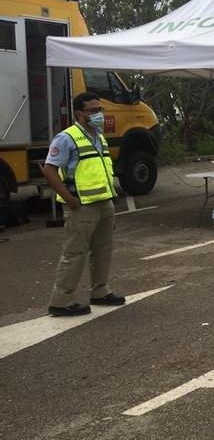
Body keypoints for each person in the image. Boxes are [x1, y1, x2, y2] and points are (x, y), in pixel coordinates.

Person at [41, 92, 125, 316]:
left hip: (104, 202)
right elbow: (49, 170)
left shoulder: (98, 136)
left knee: (102, 250)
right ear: (79, 113)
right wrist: (69, 200)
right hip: (82, 206)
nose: (98, 114)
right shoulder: (66, 138)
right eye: (93, 110)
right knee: (75, 253)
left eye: (100, 109)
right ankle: (61, 301)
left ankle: (100, 291)